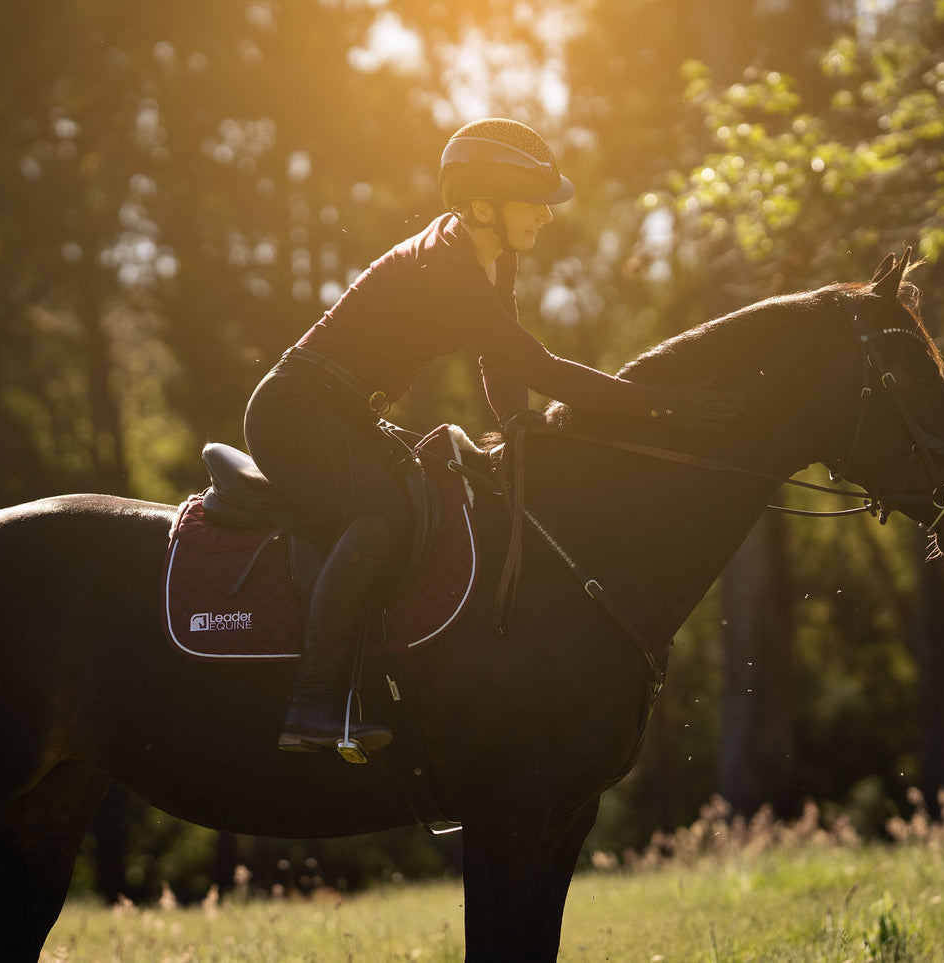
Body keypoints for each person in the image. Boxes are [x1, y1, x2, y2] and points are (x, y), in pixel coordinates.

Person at [244, 118, 741, 760]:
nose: (547, 217)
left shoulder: (491, 254)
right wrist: (661, 407)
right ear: (482, 207)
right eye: (533, 204)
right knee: (379, 519)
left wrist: (513, 423)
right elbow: (539, 365)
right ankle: (313, 703)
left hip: (344, 414)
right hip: (295, 413)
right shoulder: (448, 268)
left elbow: (503, 360)